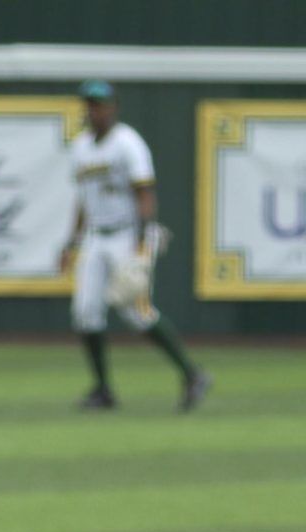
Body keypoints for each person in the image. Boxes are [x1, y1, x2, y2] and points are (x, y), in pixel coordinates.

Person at [59, 79, 213, 412]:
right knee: (85, 313)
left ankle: (192, 374)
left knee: (137, 313)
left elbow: (145, 193)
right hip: (95, 238)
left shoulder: (128, 143)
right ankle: (103, 390)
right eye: (88, 104)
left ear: (113, 107)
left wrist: (143, 243)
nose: (93, 110)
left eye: (99, 104)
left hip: (126, 235)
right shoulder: (81, 147)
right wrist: (71, 243)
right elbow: (82, 201)